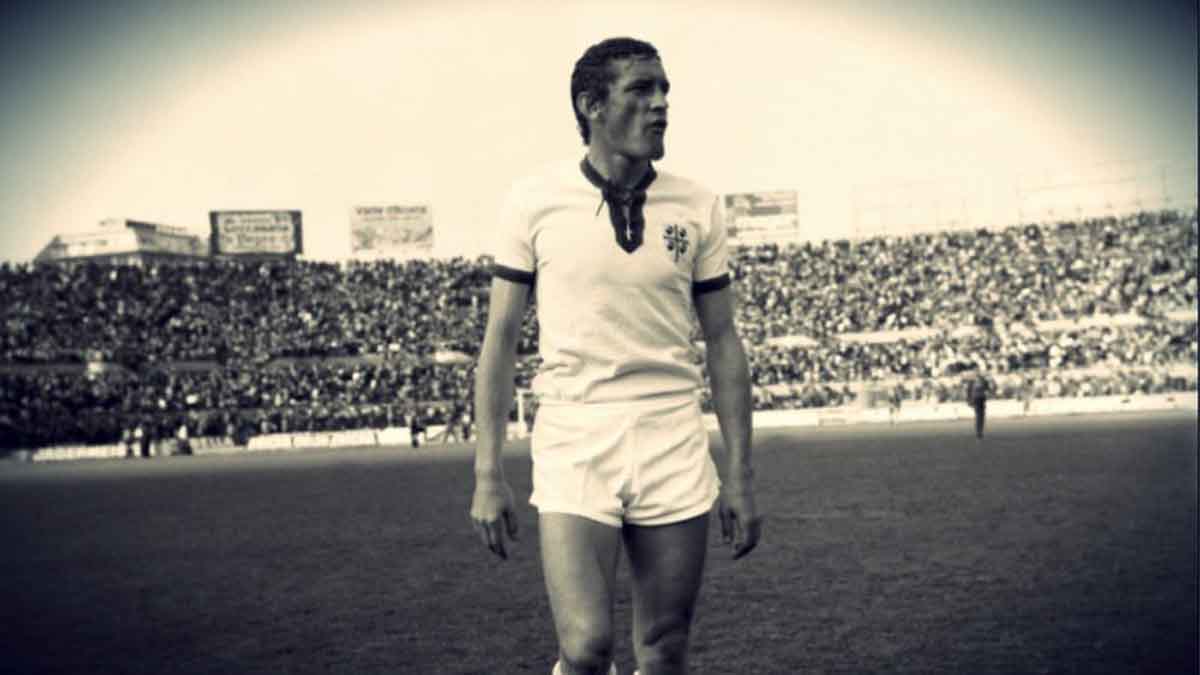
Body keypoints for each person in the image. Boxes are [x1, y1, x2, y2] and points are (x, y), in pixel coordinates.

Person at [470, 37, 761, 675]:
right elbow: (500, 340)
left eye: (664, 91)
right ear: (591, 105)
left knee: (664, 648)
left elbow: (722, 340)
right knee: (585, 647)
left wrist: (739, 473)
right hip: (576, 431)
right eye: (641, 90)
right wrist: (488, 472)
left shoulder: (698, 205)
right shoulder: (533, 200)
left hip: (671, 433)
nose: (661, 104)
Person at [965, 369, 994, 440]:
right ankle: (979, 432)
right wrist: (969, 400)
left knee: (981, 416)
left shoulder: (983, 381)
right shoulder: (972, 382)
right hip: (976, 399)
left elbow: (988, 389)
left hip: (981, 399)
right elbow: (968, 391)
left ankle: (980, 431)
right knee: (979, 415)